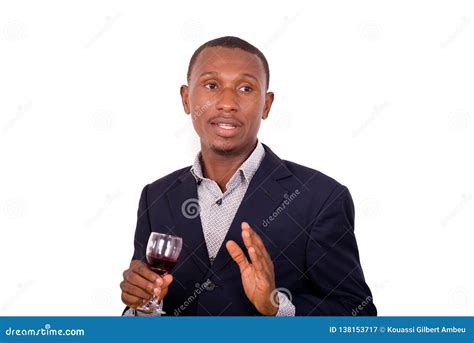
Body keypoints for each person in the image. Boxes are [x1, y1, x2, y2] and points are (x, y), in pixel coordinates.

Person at [120, 36, 376, 316]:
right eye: (211, 85)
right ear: (186, 98)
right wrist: (141, 307)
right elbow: (145, 305)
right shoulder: (156, 197)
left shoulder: (320, 199)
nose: (227, 103)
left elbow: (357, 313)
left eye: (245, 88)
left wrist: (277, 306)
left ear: (266, 105)